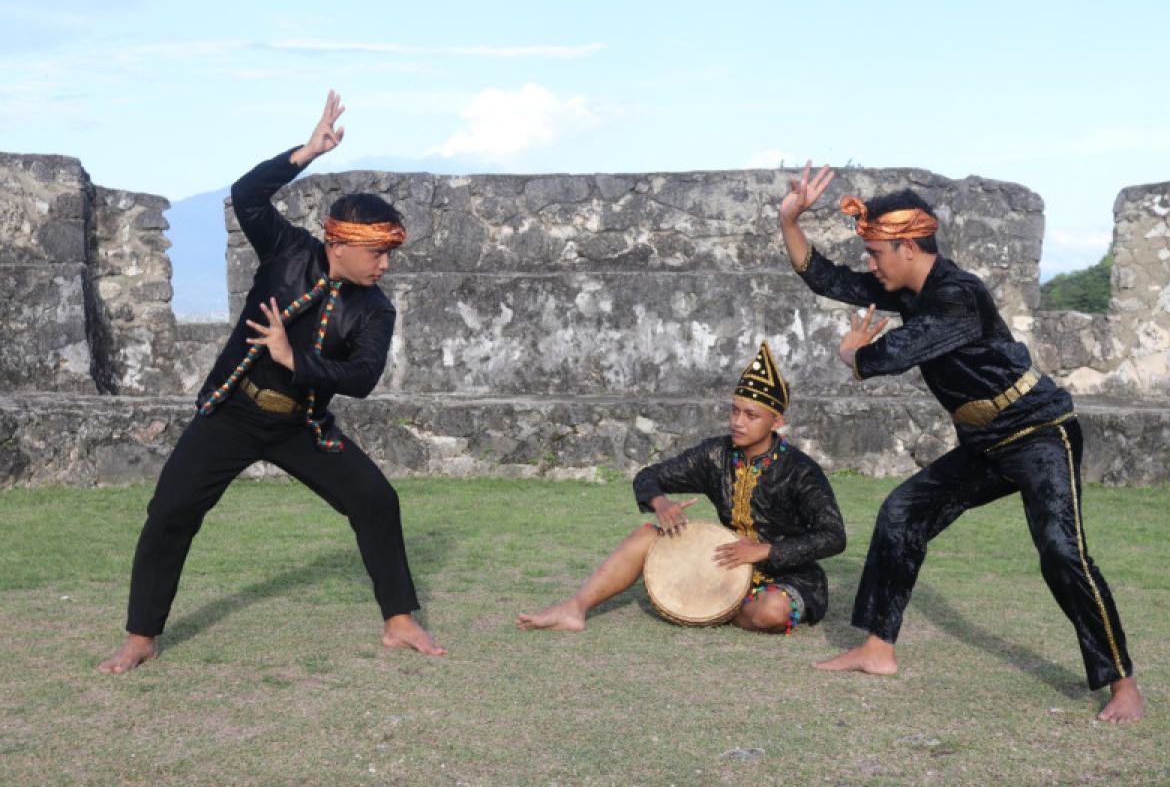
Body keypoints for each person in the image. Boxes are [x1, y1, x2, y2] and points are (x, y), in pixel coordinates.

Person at [778, 162, 1144, 722]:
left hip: (1039, 432)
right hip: (984, 441)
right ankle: (878, 649)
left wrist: (853, 354)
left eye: (876, 255)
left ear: (905, 247)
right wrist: (789, 220)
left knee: (1060, 550)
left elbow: (890, 356)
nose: (870, 266)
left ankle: (1121, 682)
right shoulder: (909, 289)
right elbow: (828, 280)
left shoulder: (958, 296)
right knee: (903, 512)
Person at [100, 91, 444, 673]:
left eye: (390, 253)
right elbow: (247, 196)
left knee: (376, 501)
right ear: (339, 243)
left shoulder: (376, 309)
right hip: (232, 413)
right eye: (377, 253)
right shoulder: (287, 250)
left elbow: (360, 379)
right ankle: (140, 636)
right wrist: (306, 152)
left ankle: (400, 620)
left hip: (301, 425)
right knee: (171, 510)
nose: (385, 265)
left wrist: (291, 359)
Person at [517, 342, 846, 634]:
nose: (737, 421)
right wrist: (660, 503)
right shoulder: (716, 455)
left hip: (786, 577)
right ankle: (575, 608)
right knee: (646, 534)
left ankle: (713, 607)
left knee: (773, 612)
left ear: (776, 422)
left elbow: (834, 536)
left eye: (750, 415)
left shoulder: (801, 471)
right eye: (734, 410)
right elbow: (647, 476)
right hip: (727, 561)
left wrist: (765, 551)